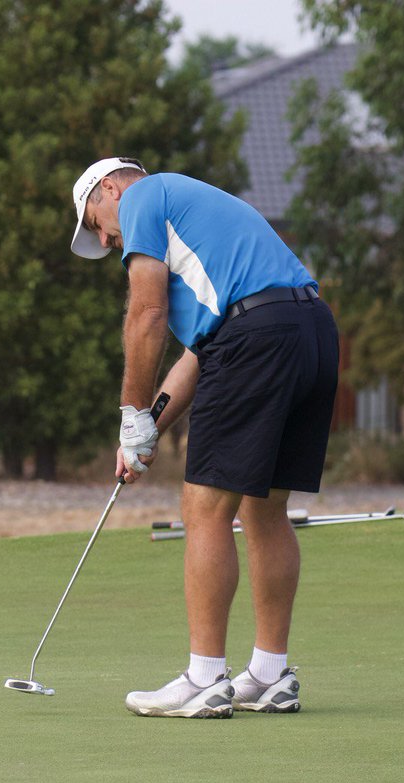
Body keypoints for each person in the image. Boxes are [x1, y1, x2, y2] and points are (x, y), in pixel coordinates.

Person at [69, 156, 339, 718]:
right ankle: (269, 675)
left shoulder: (143, 200)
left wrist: (129, 409)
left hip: (256, 341)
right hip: (309, 332)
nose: (105, 236)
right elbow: (202, 353)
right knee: (264, 509)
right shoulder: (195, 212)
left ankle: (204, 679)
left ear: (110, 189)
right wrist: (144, 432)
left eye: (95, 221)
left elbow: (145, 312)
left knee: (204, 508)